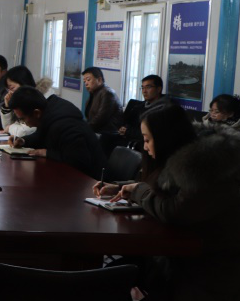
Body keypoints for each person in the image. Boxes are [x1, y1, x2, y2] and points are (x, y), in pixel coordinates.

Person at [102, 106, 240, 300]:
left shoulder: (205, 167)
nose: (145, 147)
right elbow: (160, 188)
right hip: (180, 258)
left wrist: (138, 190)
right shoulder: (185, 156)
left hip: (210, 272)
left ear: (165, 139)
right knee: (114, 276)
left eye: (147, 140)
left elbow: (173, 209)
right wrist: (122, 187)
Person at [10, 86, 106, 179]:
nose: (24, 123)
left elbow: (78, 160)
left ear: (36, 113)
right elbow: (41, 136)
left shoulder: (66, 125)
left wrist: (47, 153)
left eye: (23, 119)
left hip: (92, 181)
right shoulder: (47, 112)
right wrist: (23, 141)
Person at [120, 74, 167, 147]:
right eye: (142, 87)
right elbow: (126, 122)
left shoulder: (164, 109)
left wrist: (128, 131)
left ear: (158, 89)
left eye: (148, 87)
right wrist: (124, 129)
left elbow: (152, 135)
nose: (144, 91)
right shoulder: (140, 106)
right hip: (131, 141)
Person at [82, 66, 123, 134]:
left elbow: (101, 118)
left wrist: (84, 128)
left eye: (88, 80)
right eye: (84, 81)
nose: (86, 83)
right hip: (97, 131)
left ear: (99, 80)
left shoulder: (108, 93)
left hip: (107, 134)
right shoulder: (94, 92)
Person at [0, 66, 38, 138]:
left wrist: (10, 128)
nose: (9, 93)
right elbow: (6, 128)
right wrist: (7, 107)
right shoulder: (21, 102)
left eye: (12, 88)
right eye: (8, 90)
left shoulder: (35, 101)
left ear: (24, 84)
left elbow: (23, 132)